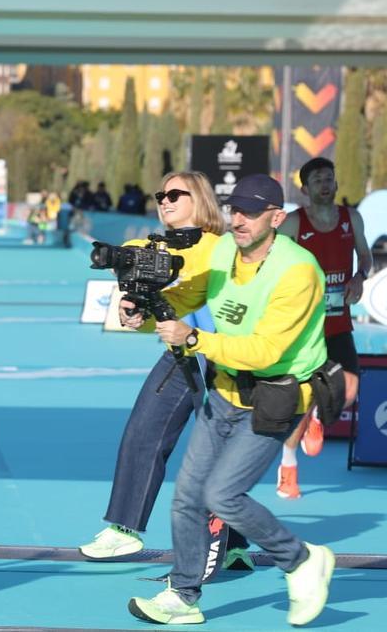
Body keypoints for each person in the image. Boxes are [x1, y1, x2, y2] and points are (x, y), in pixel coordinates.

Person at [128, 174, 335, 627]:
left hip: (276, 396)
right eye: (233, 209)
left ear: (276, 218)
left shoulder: (299, 271)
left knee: (222, 495)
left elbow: (266, 352)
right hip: (223, 391)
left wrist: (195, 338)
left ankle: (301, 559)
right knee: (187, 498)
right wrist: (145, 311)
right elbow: (191, 293)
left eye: (250, 212)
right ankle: (183, 595)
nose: (237, 220)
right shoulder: (225, 249)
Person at [79, 172, 227, 560]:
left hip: (226, 357)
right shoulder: (150, 244)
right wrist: (134, 310)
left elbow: (190, 294)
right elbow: (154, 302)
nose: (165, 200)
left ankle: (233, 543)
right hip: (181, 355)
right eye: (161, 194)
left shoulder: (220, 248)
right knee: (143, 433)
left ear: (201, 199)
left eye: (176, 193)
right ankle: (125, 528)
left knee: (222, 455)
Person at [274, 157, 373, 499]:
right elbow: (269, 264)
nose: (324, 184)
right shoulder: (292, 223)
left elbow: (366, 257)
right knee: (302, 395)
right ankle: (287, 467)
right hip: (304, 326)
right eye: (317, 180)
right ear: (304, 189)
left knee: (348, 390)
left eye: (328, 178)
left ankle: (316, 414)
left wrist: (360, 278)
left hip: (339, 321)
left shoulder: (351, 218)